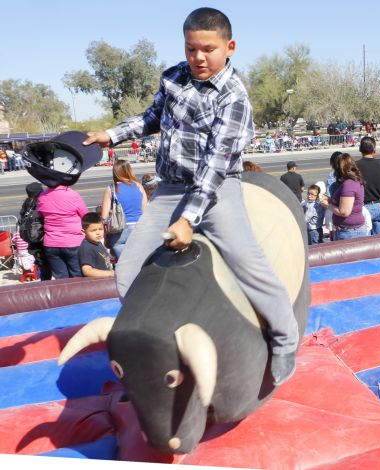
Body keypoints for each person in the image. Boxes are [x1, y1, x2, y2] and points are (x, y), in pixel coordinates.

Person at [83, 7, 299, 386]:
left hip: (216, 190)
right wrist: (111, 134)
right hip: (169, 188)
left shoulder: (234, 98)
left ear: (229, 47)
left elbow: (215, 166)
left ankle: (285, 339)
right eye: (190, 49)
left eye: (208, 49)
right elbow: (151, 117)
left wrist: (188, 219)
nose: (198, 58)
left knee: (249, 265)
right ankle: (159, 337)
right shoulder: (174, 77)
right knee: (128, 272)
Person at [37, 183, 89, 279]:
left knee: (61, 279)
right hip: (73, 242)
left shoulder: (42, 196)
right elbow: (85, 216)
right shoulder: (72, 195)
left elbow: (40, 215)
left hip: (51, 243)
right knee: (77, 276)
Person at [101, 160, 147, 259]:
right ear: (129, 170)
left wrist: (105, 237)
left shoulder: (111, 189)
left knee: (123, 265)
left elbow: (104, 218)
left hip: (119, 230)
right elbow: (145, 211)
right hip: (138, 227)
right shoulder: (138, 186)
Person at [319, 153, 366, 240]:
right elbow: (344, 202)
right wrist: (329, 200)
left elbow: (344, 212)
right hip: (346, 230)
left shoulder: (349, 184)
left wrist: (327, 205)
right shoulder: (350, 181)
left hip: (350, 232)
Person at [18, 182, 51, 280]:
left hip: (33, 243)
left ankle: (46, 288)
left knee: (44, 268)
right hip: (44, 240)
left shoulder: (26, 205)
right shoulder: (40, 203)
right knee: (49, 267)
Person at [356, 136, 380, 234]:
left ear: (360, 149)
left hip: (364, 207)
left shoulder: (356, 165)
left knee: (366, 242)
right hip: (379, 204)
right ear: (374, 150)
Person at [78, 212, 115, 278]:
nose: (98, 233)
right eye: (93, 230)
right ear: (83, 232)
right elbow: (87, 271)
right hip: (98, 284)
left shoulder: (97, 242)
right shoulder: (86, 248)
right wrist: (111, 273)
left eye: (100, 229)